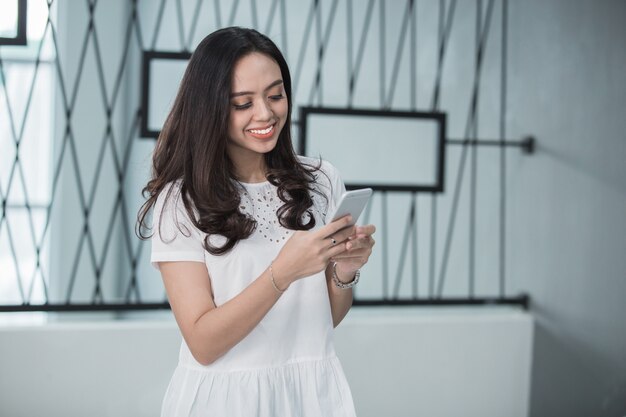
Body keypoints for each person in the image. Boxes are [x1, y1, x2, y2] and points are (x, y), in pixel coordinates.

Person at [137, 26, 376, 417]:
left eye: (275, 95)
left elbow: (318, 321)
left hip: (312, 393)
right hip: (227, 400)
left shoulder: (321, 180)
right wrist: (283, 271)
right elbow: (204, 343)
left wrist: (344, 271)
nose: (265, 114)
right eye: (242, 103)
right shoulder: (180, 202)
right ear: (210, 108)